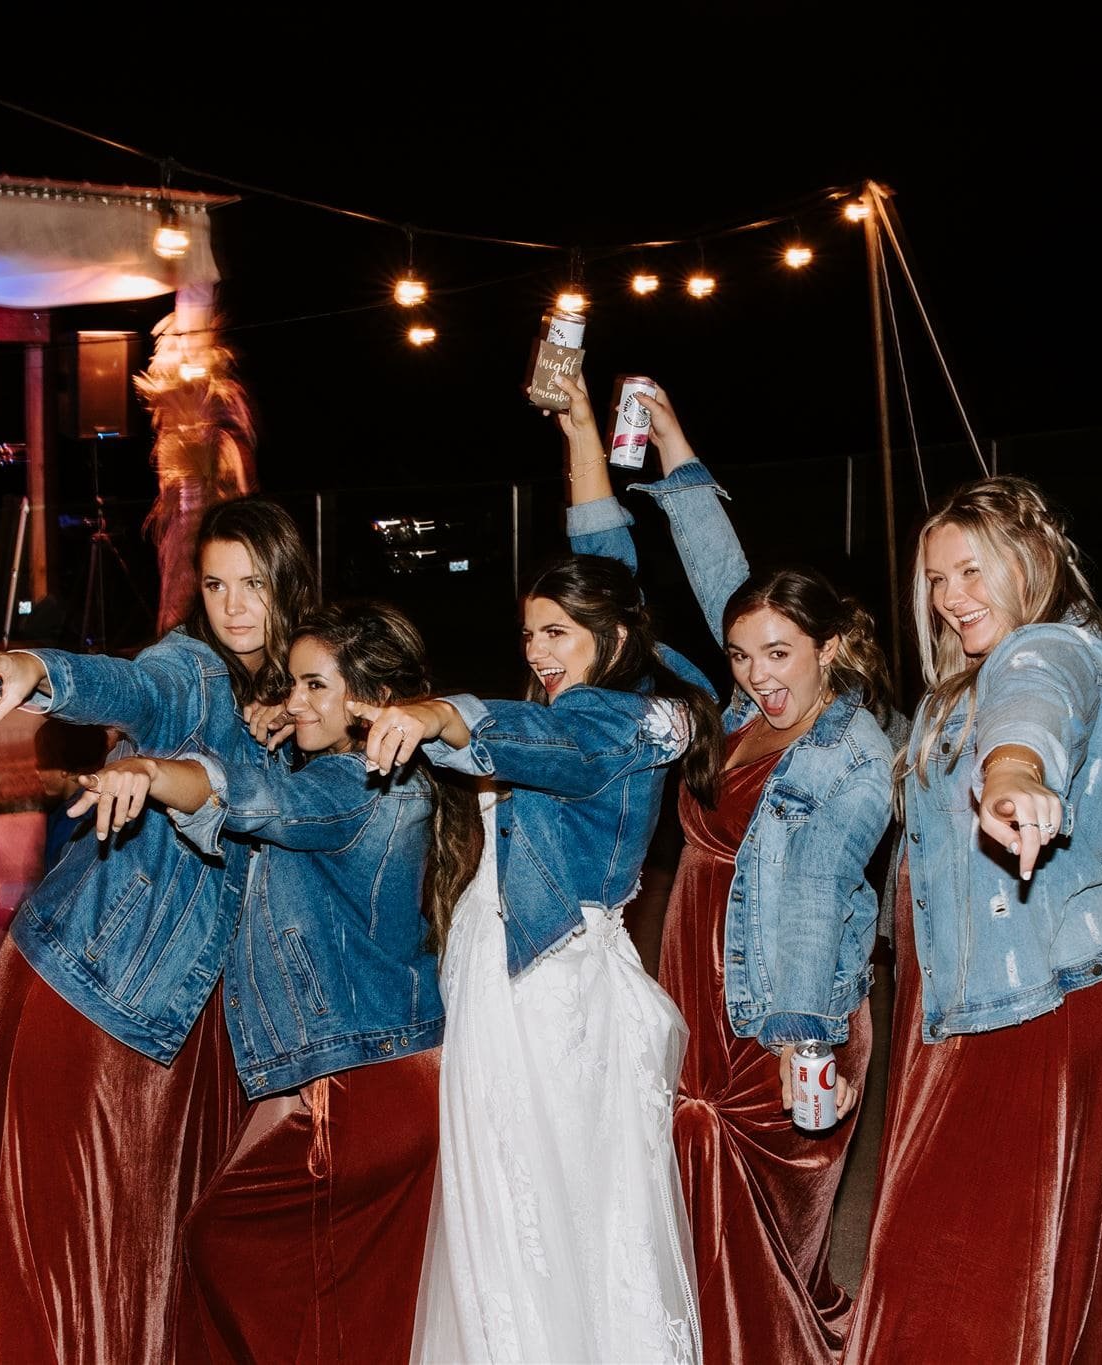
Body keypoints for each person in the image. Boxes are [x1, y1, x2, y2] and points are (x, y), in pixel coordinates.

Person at [559, 373, 896, 1361]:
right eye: (743, 653)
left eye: (780, 652)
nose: (756, 671)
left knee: (762, 1212)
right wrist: (671, 441)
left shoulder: (850, 749)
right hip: (694, 977)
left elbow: (820, 884)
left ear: (830, 648)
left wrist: (804, 1041)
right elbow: (721, 575)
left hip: (782, 1003)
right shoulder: (746, 713)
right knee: (689, 1175)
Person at [0, 495, 318, 1365]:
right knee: (82, 1231)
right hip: (98, 982)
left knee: (166, 1226)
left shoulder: (309, 690)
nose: (233, 605)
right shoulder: (189, 667)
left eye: (254, 585)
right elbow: (126, 683)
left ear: (291, 587)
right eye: (216, 583)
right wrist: (36, 669)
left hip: (201, 1005)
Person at [71, 602, 479, 1363]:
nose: (293, 701)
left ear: (375, 699)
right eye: (293, 684)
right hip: (400, 1070)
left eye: (315, 685)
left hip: (351, 1089)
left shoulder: (350, 789)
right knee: (360, 1303)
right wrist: (289, 734)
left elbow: (257, 800)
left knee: (232, 1249)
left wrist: (155, 770)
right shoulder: (399, 777)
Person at [366, 551, 724, 1364]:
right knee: (521, 1198)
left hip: (545, 989)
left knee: (548, 1200)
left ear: (617, 632)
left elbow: (537, 738)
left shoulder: (610, 720)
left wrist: (442, 716)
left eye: (557, 631)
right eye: (529, 632)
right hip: (510, 972)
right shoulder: (620, 700)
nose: (535, 649)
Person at [843, 476, 1102, 1363]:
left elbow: (1032, 714)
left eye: (972, 570)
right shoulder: (956, 696)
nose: (952, 598)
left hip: (1040, 1002)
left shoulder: (1048, 651)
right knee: (1012, 1270)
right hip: (1001, 997)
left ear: (1036, 561)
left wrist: (1016, 772)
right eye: (937, 579)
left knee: (958, 1276)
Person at [139, 308, 257, 633]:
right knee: (186, 607)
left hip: (216, 527)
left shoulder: (221, 432)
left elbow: (240, 491)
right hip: (190, 532)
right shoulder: (176, 429)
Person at [32, 721, 111, 873]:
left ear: (64, 769)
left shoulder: (74, 820)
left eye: (41, 764)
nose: (37, 773)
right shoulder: (63, 812)